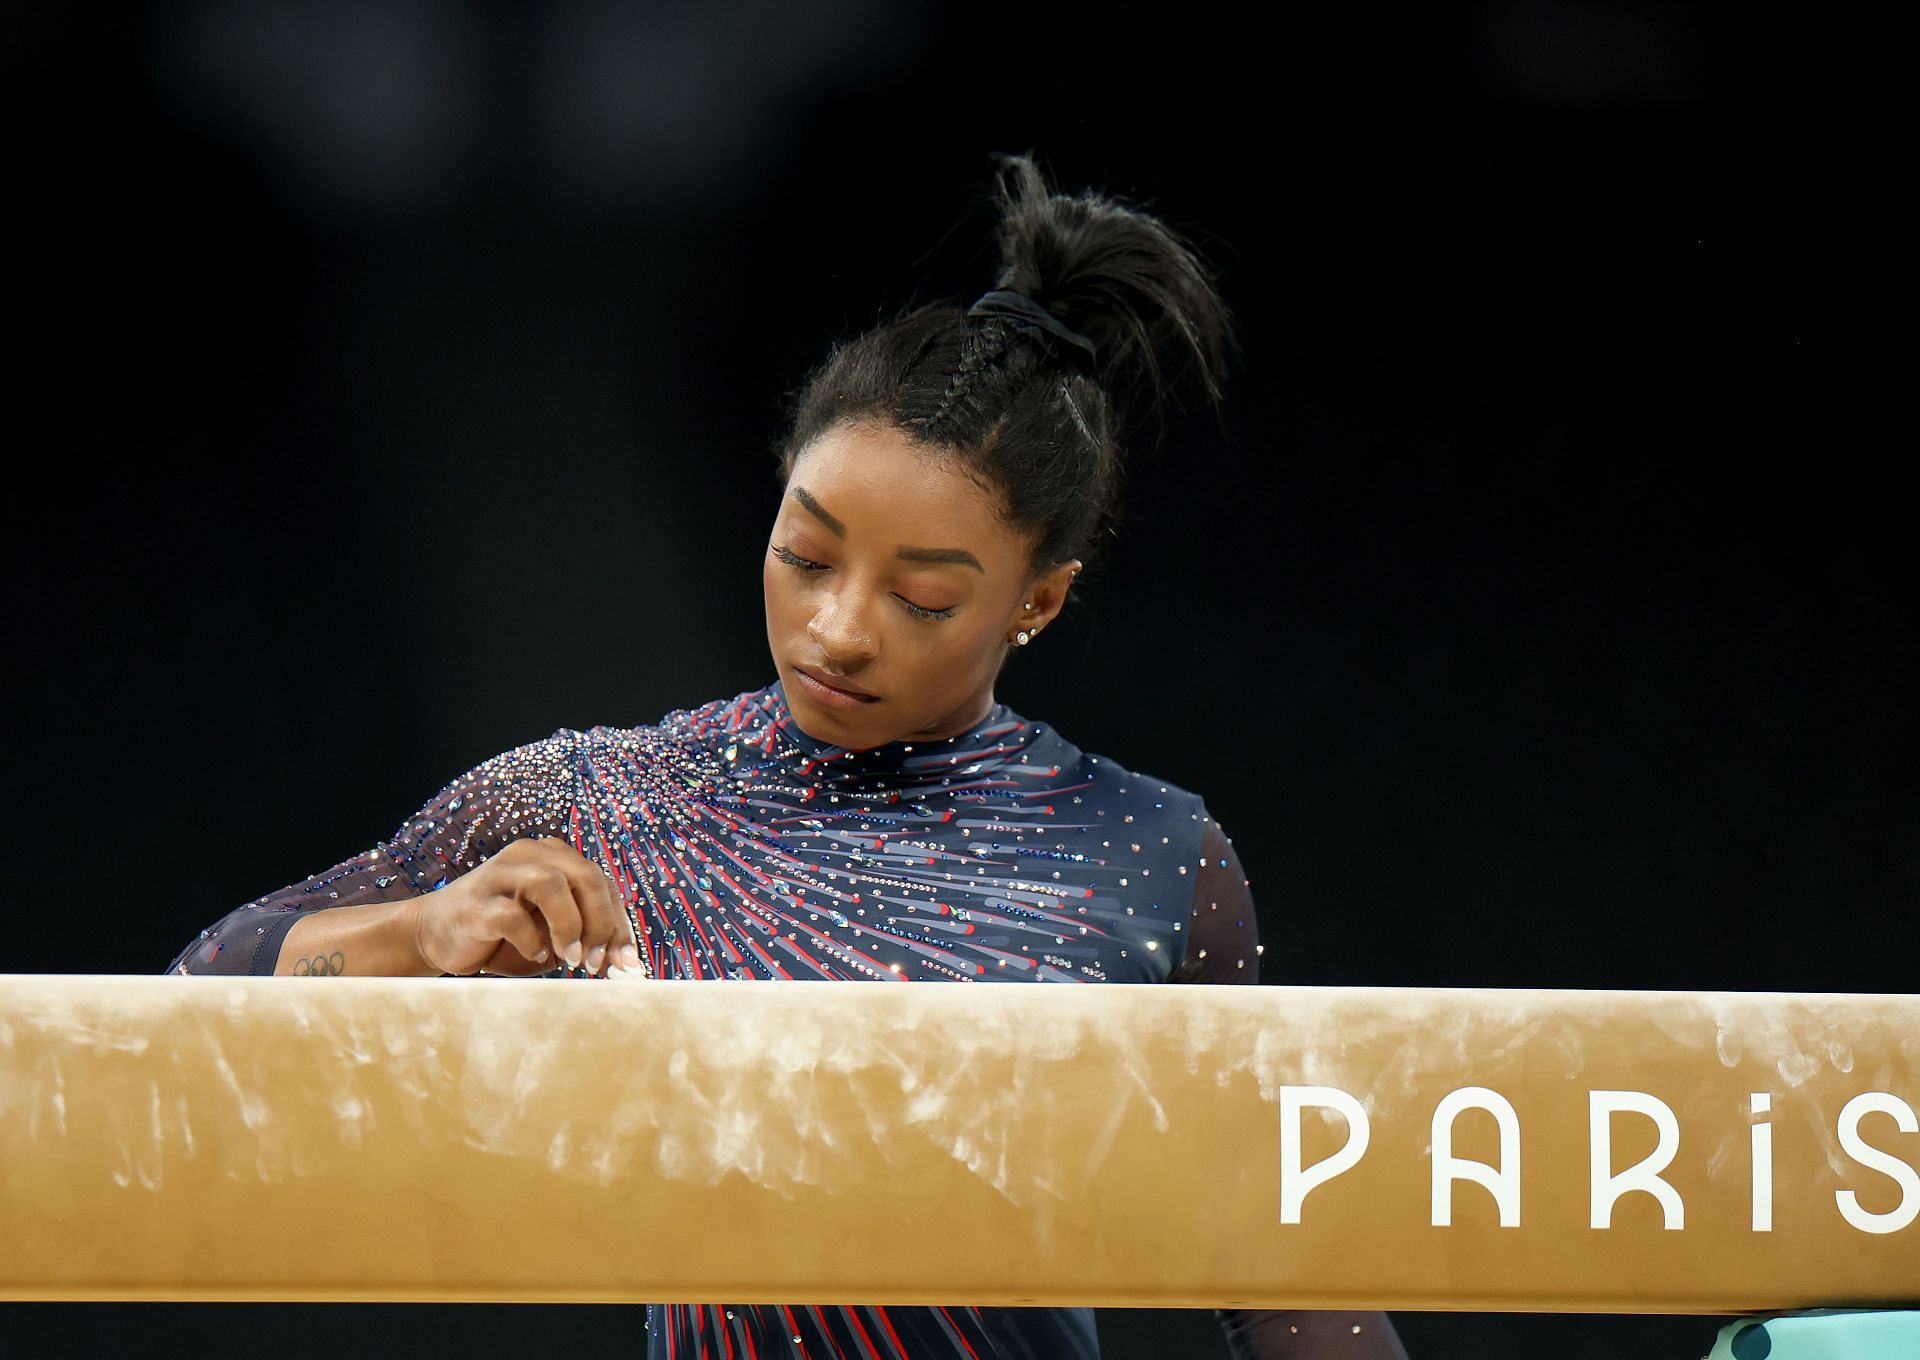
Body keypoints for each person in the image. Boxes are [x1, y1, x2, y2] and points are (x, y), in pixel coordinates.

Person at [167, 151, 1410, 1360]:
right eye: (806, 555)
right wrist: (416, 930)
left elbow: (1295, 1285)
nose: (837, 628)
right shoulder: (604, 794)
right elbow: (184, 1010)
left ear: (1038, 601)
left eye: (923, 597)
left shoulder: (1149, 855)